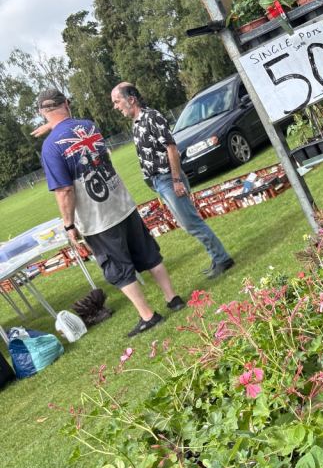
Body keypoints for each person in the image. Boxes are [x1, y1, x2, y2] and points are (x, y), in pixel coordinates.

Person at [35, 89, 185, 337]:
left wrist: (69, 225)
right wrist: (52, 128)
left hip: (97, 219)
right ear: (67, 103)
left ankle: (148, 315)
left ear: (43, 113)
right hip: (122, 202)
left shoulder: (50, 147)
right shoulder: (89, 126)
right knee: (148, 254)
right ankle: (173, 298)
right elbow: (70, 134)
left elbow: (64, 191)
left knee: (117, 269)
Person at [110, 83, 234, 279]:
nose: (116, 107)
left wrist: (176, 180)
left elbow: (171, 149)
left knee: (191, 222)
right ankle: (217, 256)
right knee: (186, 223)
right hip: (160, 182)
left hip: (169, 179)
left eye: (117, 101)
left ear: (131, 99)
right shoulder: (137, 123)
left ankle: (222, 258)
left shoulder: (152, 117)